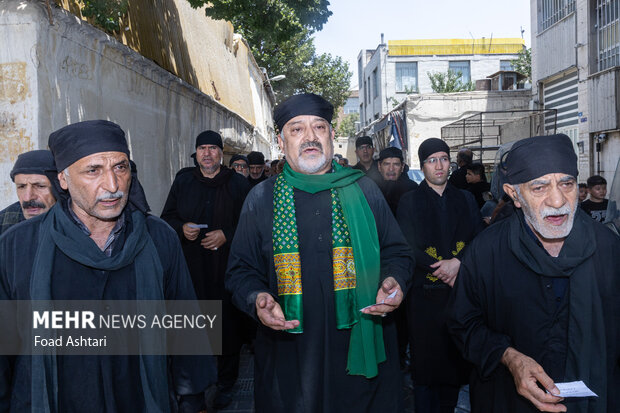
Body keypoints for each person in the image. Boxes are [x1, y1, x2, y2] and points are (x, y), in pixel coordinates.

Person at [0, 119, 215, 412]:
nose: (112, 185)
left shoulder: (158, 237)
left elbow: (184, 326)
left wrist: (193, 402)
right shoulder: (18, 245)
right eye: (93, 170)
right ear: (62, 179)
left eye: (120, 167)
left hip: (141, 399)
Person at [226, 93, 414, 412]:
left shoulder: (365, 190)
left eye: (319, 127)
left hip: (359, 352)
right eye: (297, 129)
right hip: (289, 352)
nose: (310, 137)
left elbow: (398, 252)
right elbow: (239, 270)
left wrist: (393, 280)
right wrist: (256, 298)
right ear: (280, 141)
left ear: (330, 136)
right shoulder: (261, 198)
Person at [447, 134, 619, 413]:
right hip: (509, 401)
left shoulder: (609, 248)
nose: (557, 200)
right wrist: (508, 356)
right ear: (515, 195)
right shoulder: (488, 251)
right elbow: (462, 324)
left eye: (567, 183)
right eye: (539, 187)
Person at [161, 130, 251, 409]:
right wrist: (182, 228)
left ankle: (226, 384)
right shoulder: (184, 180)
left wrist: (227, 235)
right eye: (203, 148)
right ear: (196, 152)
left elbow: (252, 226)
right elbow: (168, 218)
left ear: (221, 153)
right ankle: (194, 384)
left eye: (213, 148)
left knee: (227, 327)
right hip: (192, 269)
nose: (208, 153)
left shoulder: (237, 184)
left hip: (227, 269)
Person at [397, 138, 484, 413]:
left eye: (444, 159)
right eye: (432, 160)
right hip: (424, 296)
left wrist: (458, 262)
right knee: (425, 367)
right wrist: (443, 268)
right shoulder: (409, 201)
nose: (439, 165)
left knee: (455, 365)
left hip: (459, 293)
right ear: (422, 166)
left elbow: (478, 238)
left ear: (451, 163)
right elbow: (407, 245)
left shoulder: (466, 199)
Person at [0, 150, 59, 235]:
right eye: (21, 186)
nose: (27, 198)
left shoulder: (78, 221)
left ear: (60, 187)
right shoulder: (4, 222)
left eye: (40, 186)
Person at [377, 147, 417, 216]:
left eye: (396, 164)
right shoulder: (372, 189)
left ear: (402, 167)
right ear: (379, 166)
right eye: (387, 164)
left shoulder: (413, 190)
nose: (391, 169)